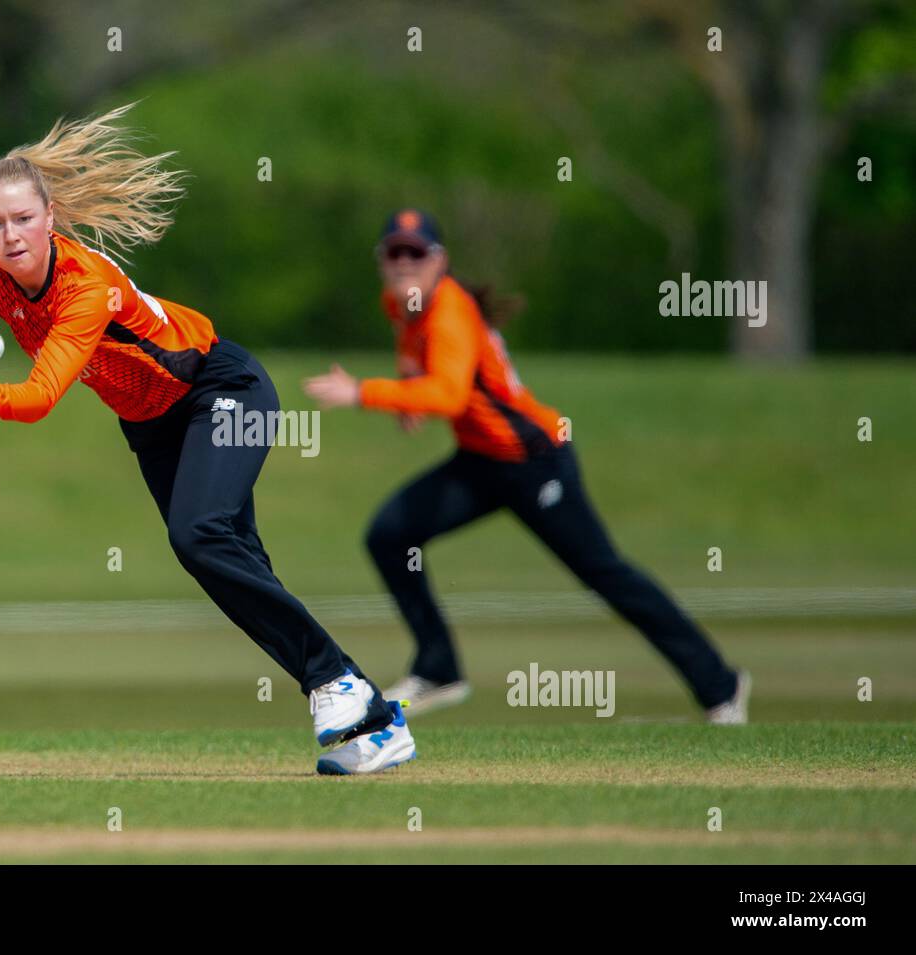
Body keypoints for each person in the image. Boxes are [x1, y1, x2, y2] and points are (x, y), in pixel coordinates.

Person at [0, 104, 415, 774]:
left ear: (49, 218)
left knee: (199, 535)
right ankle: (375, 718)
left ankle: (338, 685)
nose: (9, 235)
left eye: (22, 219)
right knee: (228, 561)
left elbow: (38, 397)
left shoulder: (84, 286)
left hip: (222, 391)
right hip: (151, 422)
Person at [303, 208, 750, 723]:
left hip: (536, 461)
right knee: (389, 535)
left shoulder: (451, 309)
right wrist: (408, 397)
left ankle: (722, 687)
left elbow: (449, 393)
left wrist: (363, 392)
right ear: (381, 261)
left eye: (416, 252)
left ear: (439, 260)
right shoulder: (400, 304)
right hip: (482, 461)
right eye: (394, 252)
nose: (405, 262)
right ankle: (439, 668)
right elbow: (421, 364)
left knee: (605, 572)